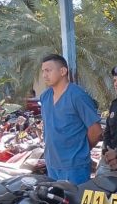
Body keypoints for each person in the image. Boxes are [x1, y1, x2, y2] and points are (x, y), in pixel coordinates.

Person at [39, 54, 102, 184]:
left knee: (74, 203)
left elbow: (96, 131)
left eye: (48, 70)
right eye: (43, 71)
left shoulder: (77, 96)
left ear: (63, 71)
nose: (44, 75)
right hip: (52, 164)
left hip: (74, 167)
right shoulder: (45, 97)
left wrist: (81, 149)